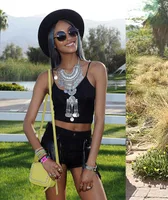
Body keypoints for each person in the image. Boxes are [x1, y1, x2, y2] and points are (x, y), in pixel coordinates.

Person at [23, 9, 107, 199]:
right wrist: (43, 159)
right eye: (61, 36)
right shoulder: (46, 77)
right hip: (54, 147)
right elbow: (27, 124)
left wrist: (90, 165)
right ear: (54, 44)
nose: (69, 38)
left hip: (84, 146)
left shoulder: (96, 69)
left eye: (72, 32)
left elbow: (100, 120)